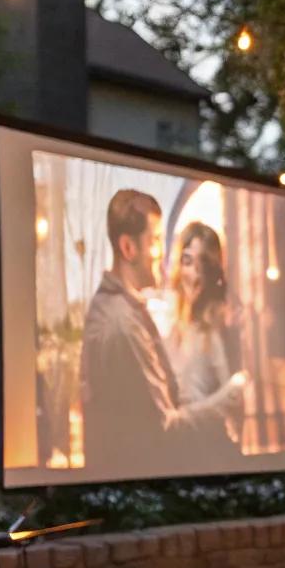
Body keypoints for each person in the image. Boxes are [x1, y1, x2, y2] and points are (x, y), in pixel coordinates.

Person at [80, 189, 243, 479]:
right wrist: (229, 396)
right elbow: (160, 428)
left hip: (206, 460)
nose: (161, 253)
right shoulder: (127, 322)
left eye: (205, 263)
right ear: (129, 249)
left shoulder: (221, 326)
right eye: (155, 241)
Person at [166, 222, 241, 405]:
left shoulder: (221, 327)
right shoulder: (173, 328)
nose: (195, 272)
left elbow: (234, 398)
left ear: (215, 271)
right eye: (188, 261)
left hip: (207, 431)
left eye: (204, 262)